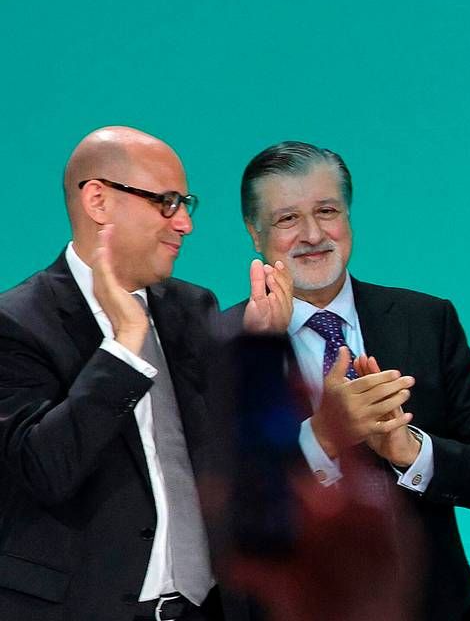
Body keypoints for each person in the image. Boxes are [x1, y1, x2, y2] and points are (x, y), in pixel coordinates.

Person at [0, 126, 291, 620]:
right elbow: (45, 470)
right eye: (167, 202)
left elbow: (236, 458)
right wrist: (123, 346)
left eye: (186, 204)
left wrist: (257, 357)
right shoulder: (17, 323)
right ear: (99, 201)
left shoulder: (192, 307)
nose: (185, 224)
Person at [232, 141, 470, 621]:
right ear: (253, 232)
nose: (312, 234)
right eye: (287, 219)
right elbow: (222, 517)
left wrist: (410, 452)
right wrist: (322, 436)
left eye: (327, 210)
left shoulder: (426, 320)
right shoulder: (226, 343)